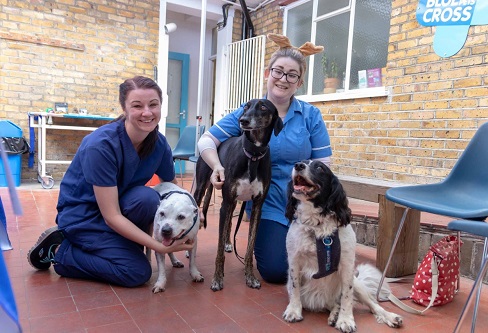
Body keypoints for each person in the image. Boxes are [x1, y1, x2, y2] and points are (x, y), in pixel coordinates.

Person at [27, 76, 194, 287]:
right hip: (85, 217)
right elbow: (111, 216)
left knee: (148, 198)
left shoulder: (159, 143)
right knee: (136, 272)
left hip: (119, 207)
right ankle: (61, 252)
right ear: (124, 108)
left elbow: (171, 190)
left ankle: (120, 248)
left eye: (153, 104)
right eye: (137, 106)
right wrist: (158, 246)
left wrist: (190, 212)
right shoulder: (101, 145)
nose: (147, 112)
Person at [197, 34, 332, 284]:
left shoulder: (311, 115)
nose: (283, 79)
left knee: (325, 261)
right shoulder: (248, 111)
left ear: (299, 82)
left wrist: (318, 201)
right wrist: (216, 166)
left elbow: (323, 164)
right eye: (278, 71)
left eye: (292, 75)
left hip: (303, 203)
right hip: (269, 204)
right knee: (275, 271)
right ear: (267, 73)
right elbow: (206, 141)